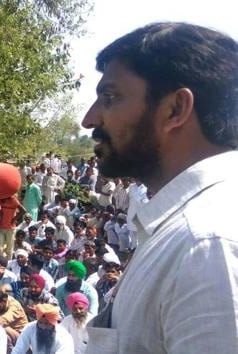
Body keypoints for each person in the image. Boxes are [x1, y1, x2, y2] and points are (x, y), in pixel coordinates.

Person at [82, 23, 238, 354]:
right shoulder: (189, 233)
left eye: (110, 97)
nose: (90, 119)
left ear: (175, 109)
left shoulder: (207, 245)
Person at [0, 195, 26, 260]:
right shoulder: (0, 200)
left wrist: (14, 219)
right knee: (0, 249)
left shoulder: (13, 200)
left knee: (9, 249)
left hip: (10, 228)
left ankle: (8, 263)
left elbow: (23, 210)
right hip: (1, 227)